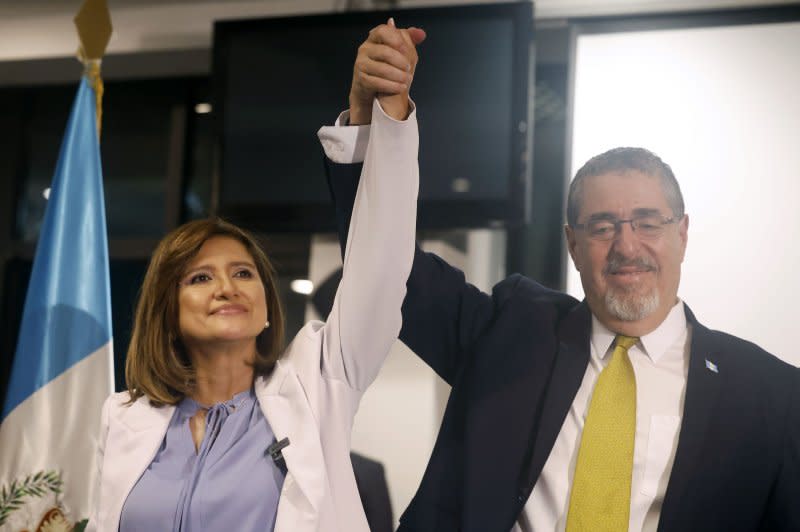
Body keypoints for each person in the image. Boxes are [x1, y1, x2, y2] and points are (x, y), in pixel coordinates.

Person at [322, 22, 800, 532]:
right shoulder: (510, 329)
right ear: (572, 243)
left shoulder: (772, 395)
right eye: (602, 226)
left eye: (647, 222)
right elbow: (386, 271)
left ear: (682, 234)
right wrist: (370, 123)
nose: (626, 246)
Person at [86, 24, 421, 531]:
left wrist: (379, 118)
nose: (227, 287)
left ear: (266, 304)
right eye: (199, 278)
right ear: (167, 311)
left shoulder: (317, 385)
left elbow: (380, 265)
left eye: (243, 272)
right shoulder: (123, 418)